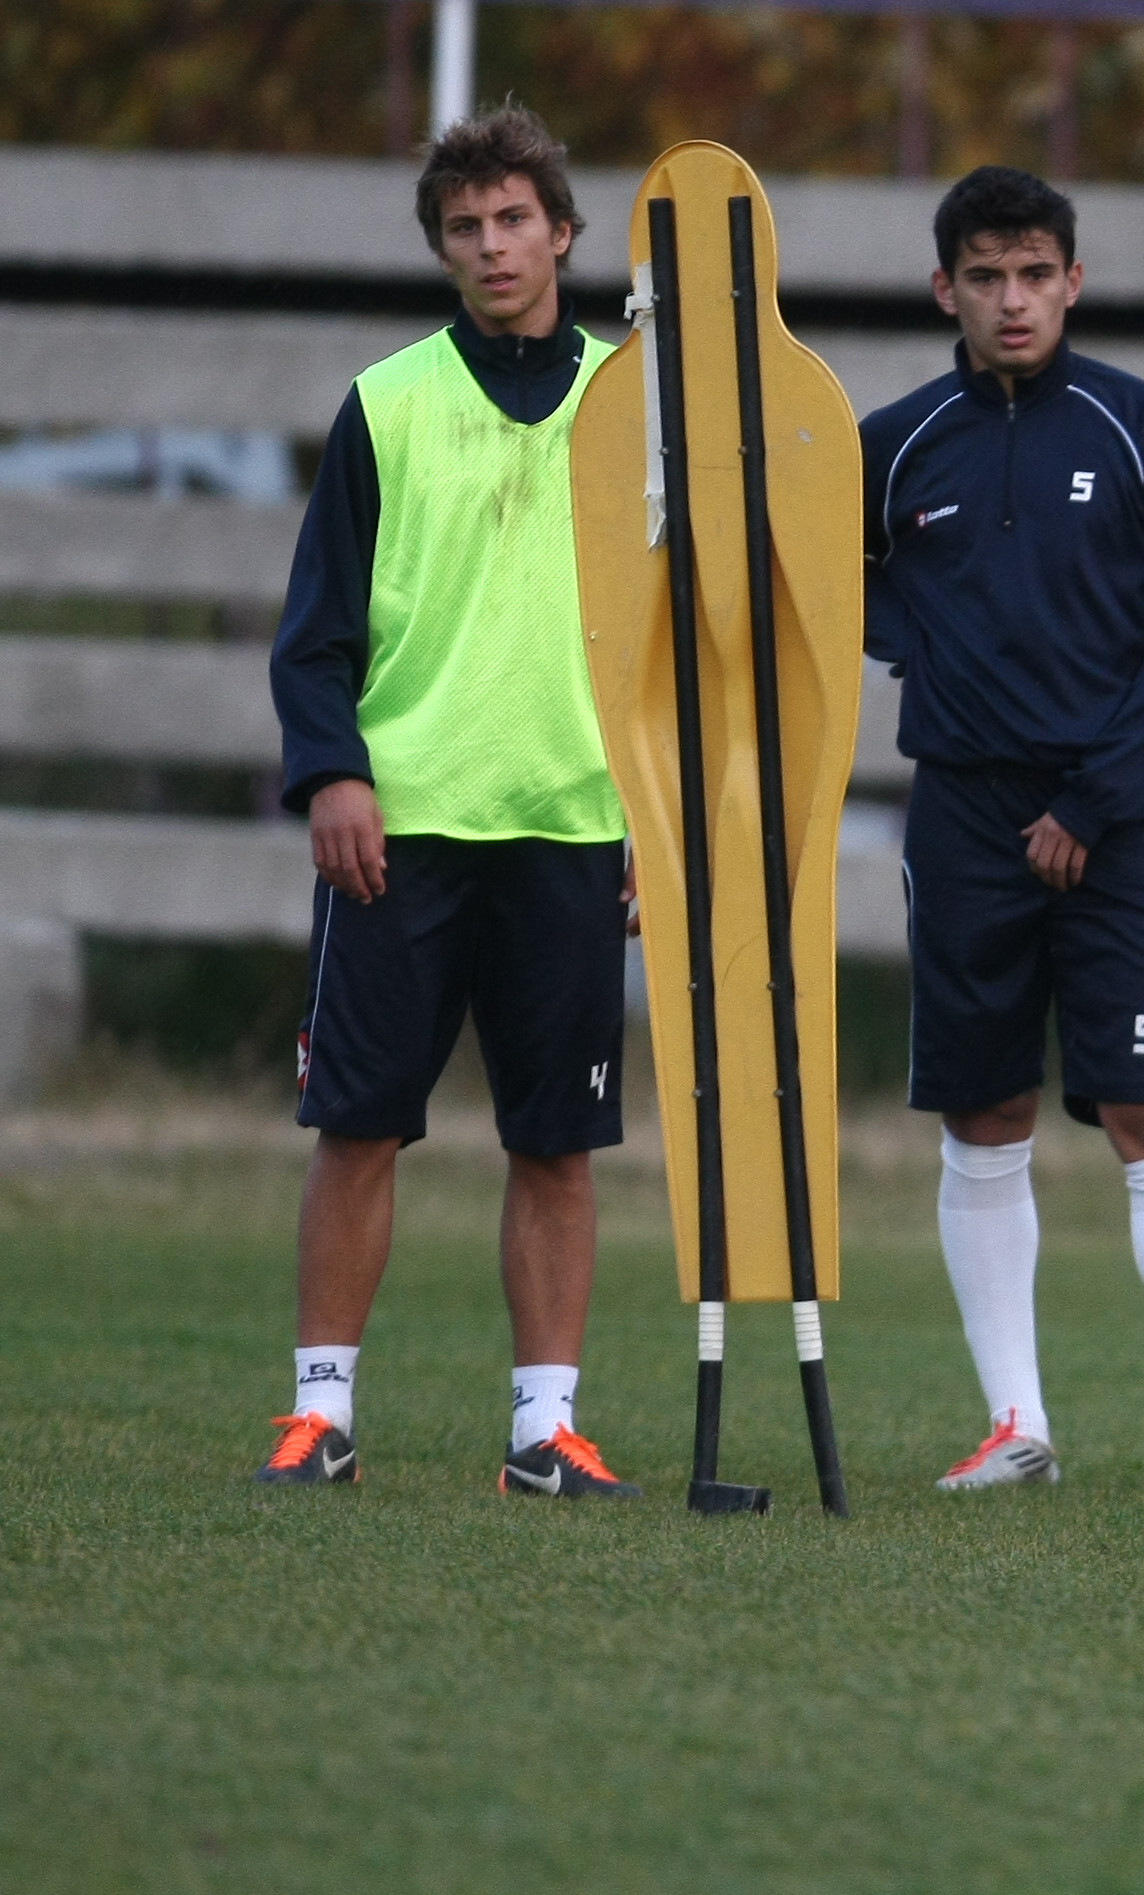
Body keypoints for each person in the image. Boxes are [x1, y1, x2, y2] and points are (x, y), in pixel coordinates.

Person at [859, 166, 1144, 1499]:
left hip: (1119, 819)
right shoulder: (891, 445)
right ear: (945, 290)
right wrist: (916, 641)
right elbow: (814, 586)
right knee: (983, 1113)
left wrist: (1096, 800)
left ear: (1074, 281)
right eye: (985, 277)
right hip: (962, 815)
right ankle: (1015, 1424)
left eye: (1035, 274)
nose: (1013, 299)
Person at [257, 106, 638, 1500]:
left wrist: (661, 819)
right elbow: (314, 630)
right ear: (442, 250)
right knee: (357, 1122)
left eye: (513, 219)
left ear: (564, 233)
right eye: (465, 227)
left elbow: (680, 642)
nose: (492, 245)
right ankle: (320, 1416)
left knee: (557, 1141)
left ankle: (546, 1431)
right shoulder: (387, 402)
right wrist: (333, 770)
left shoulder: (635, 408)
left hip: (574, 823)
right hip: (401, 828)